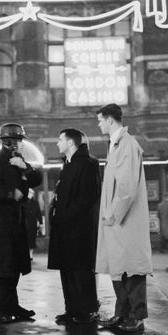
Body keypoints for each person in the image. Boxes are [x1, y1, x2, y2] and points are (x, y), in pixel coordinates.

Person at [0, 123, 42, 324]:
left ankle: (12, 307)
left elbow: (36, 179)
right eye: (20, 141)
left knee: (12, 269)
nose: (23, 145)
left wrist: (26, 167)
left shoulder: (18, 161)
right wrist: (9, 194)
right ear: (11, 142)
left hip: (13, 225)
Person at [96, 104, 153, 333]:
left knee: (132, 269)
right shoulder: (116, 144)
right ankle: (121, 314)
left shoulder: (127, 145)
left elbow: (127, 187)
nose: (98, 124)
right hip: (117, 222)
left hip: (124, 220)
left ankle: (136, 318)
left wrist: (112, 214)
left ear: (110, 120)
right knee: (119, 268)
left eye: (100, 120)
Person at [48, 129, 101, 324]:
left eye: (60, 139)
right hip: (64, 228)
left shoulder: (88, 163)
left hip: (80, 229)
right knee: (67, 270)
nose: (57, 143)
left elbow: (87, 198)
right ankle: (71, 310)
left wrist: (64, 216)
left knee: (81, 271)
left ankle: (87, 310)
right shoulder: (67, 164)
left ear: (71, 143)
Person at [23, 188, 42, 261]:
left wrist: (41, 223)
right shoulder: (23, 202)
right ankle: (27, 254)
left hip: (32, 224)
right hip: (25, 224)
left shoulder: (35, 203)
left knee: (32, 240)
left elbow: (38, 213)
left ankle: (30, 254)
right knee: (26, 239)